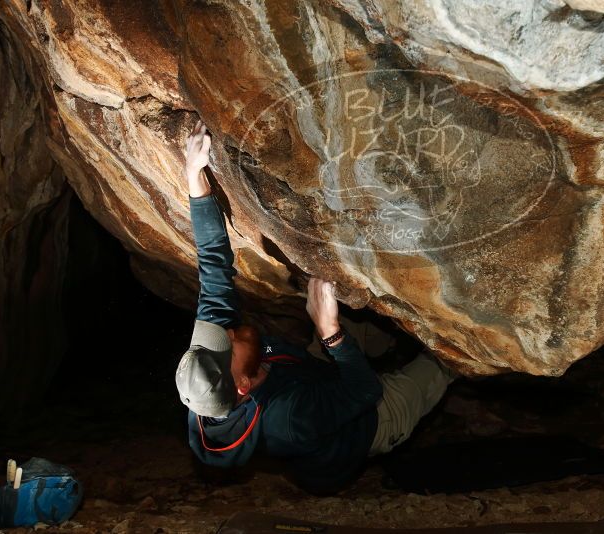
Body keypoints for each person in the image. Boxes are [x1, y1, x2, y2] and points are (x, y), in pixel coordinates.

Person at [175, 120, 458, 494]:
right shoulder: (290, 420)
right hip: (366, 421)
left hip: (306, 375)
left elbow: (213, 265)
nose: (225, 331)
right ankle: (424, 365)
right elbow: (364, 393)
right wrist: (331, 335)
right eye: (227, 344)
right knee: (443, 358)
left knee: (354, 317)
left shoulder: (210, 372)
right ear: (243, 386)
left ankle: (384, 343)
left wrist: (194, 175)